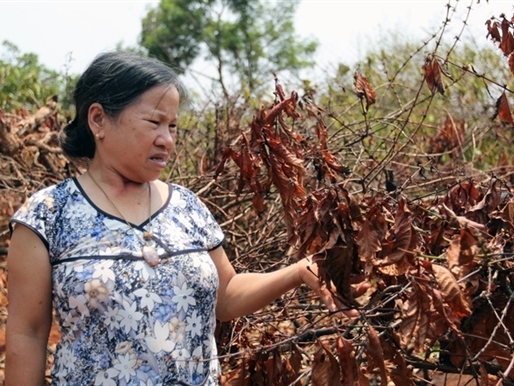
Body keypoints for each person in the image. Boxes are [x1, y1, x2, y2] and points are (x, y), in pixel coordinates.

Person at [5, 51, 362, 386]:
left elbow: (226, 294)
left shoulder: (187, 207)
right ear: (98, 119)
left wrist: (299, 271)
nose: (167, 140)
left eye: (173, 127)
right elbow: (28, 333)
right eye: (154, 122)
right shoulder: (49, 215)